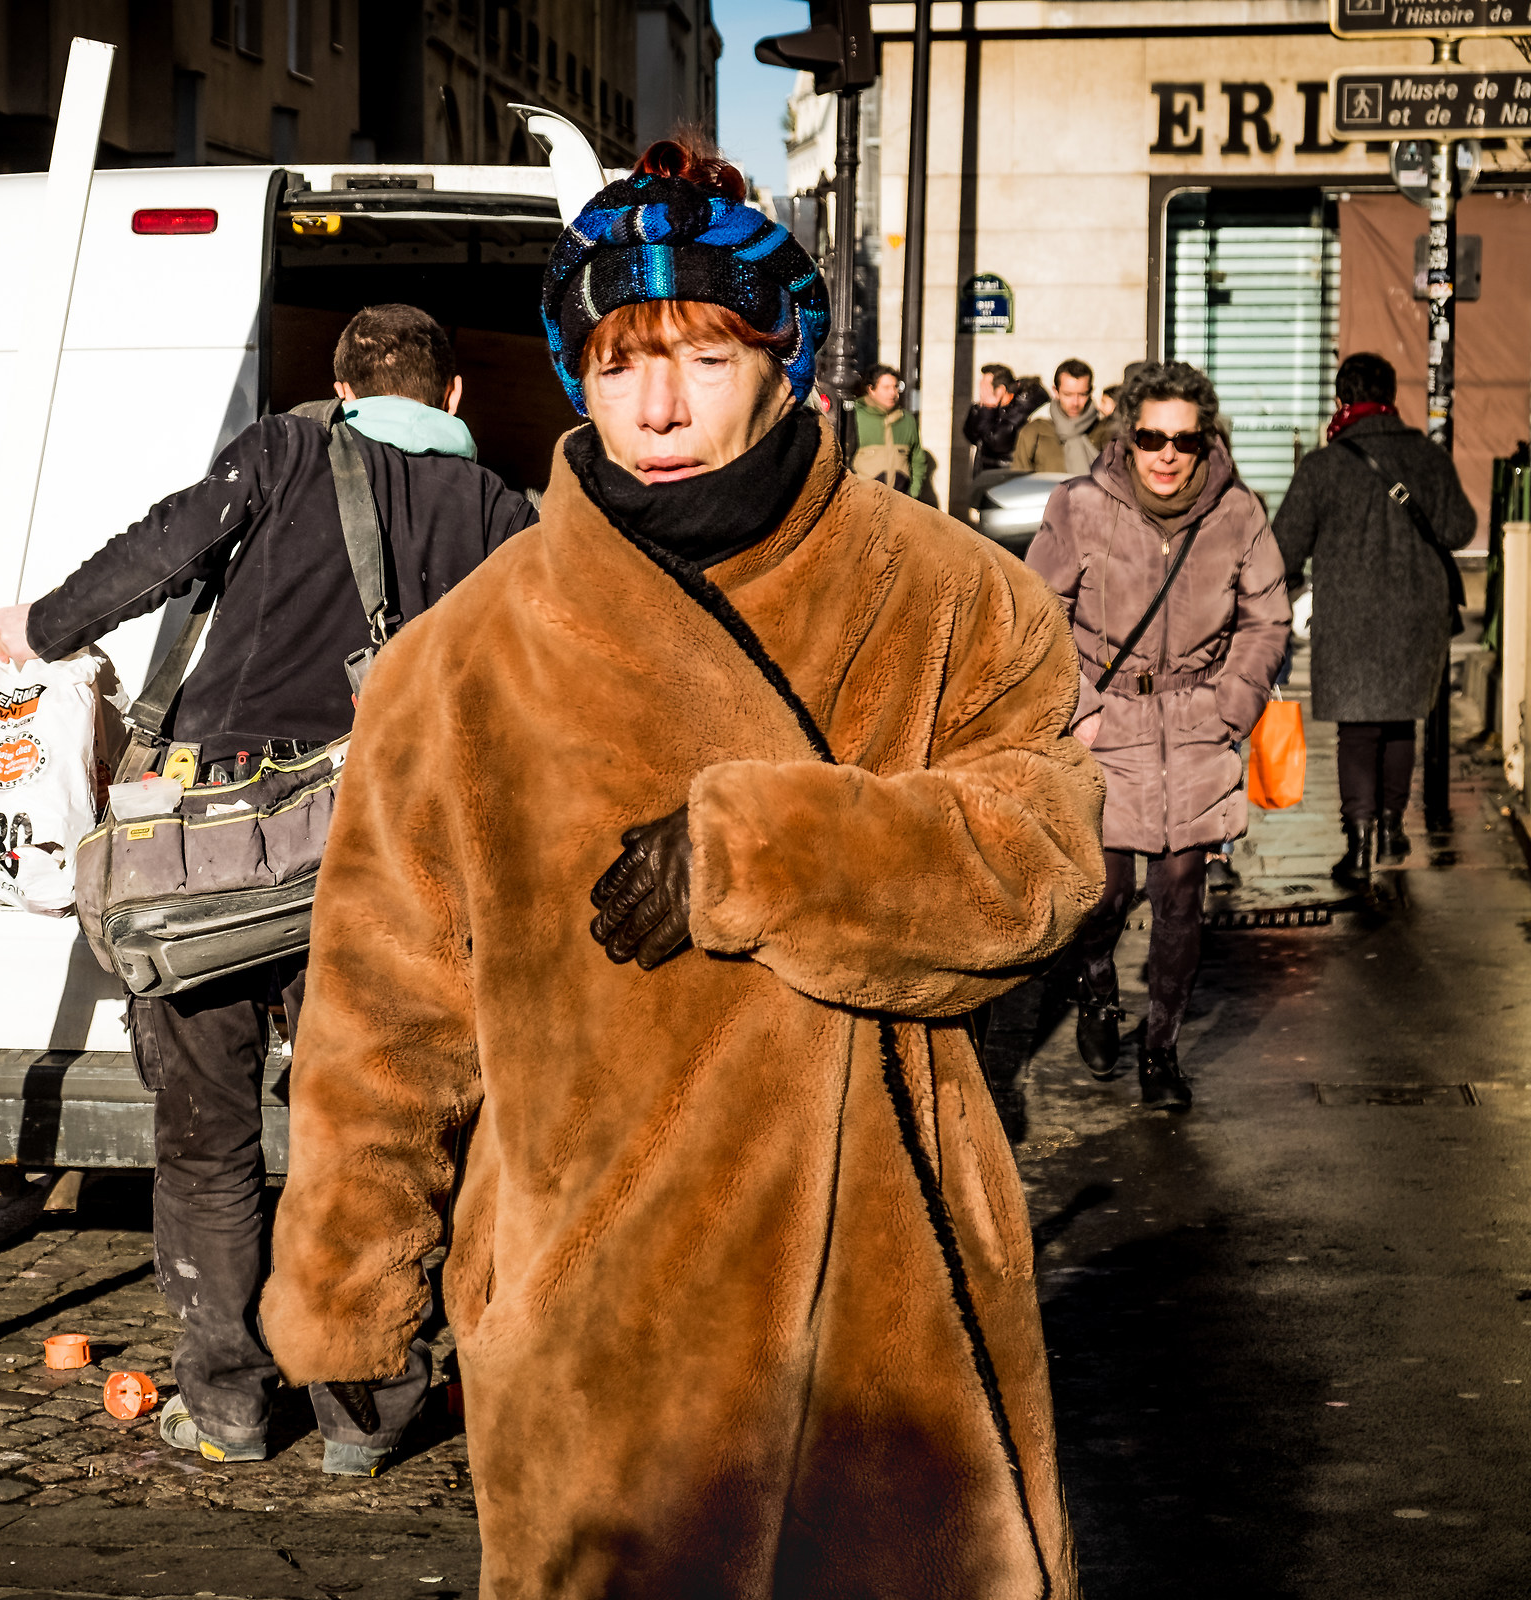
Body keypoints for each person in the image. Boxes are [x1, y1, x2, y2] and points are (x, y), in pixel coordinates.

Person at [259, 141, 1100, 1594]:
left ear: (789, 360)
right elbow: (382, 1010)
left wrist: (768, 851)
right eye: (616, 357)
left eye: (706, 357)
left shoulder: (957, 602)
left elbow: (1042, 867)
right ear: (572, 370)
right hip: (599, 1310)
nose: (656, 406)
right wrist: (350, 1272)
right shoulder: (460, 662)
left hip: (889, 1307)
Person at [0, 303, 536, 1475]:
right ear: (452, 401)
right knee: (375, 1142)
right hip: (392, 861)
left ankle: (230, 1405)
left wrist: (39, 627)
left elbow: (161, 547)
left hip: (220, 864)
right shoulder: (500, 510)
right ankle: (366, 1416)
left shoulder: (285, 450)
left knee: (205, 1141)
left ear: (338, 387)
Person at [1026, 361, 1289, 1108]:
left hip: (1199, 730)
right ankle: (1098, 985)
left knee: (1179, 899)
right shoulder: (1078, 507)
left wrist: (1230, 706)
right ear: (1127, 438)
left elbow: (1266, 619)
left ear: (1206, 440)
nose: (1166, 455)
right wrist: (1078, 709)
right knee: (1105, 899)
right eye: (1150, 438)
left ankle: (1161, 1052)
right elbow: (1033, 617)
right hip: (1106, 731)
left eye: (1184, 439)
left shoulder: (1238, 515)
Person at [1274, 352, 1474, 881]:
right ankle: (1391, 831)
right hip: (1418, 610)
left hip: (1349, 612)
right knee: (1402, 720)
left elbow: (1283, 549)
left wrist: (1296, 591)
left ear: (1342, 400)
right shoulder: (1428, 457)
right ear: (1391, 395)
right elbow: (1459, 530)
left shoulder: (1324, 464)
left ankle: (1357, 843)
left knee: (1357, 731)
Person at [852, 363, 933, 502]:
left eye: (895, 387)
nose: (893, 393)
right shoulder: (855, 416)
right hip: (864, 500)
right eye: (886, 387)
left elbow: (917, 458)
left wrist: (913, 492)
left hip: (900, 501)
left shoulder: (907, 420)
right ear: (871, 389)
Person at [1013, 358, 1102, 475]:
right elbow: (1020, 483)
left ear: (1091, 391)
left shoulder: (1105, 431)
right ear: (1055, 391)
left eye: (1082, 394)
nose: (1075, 402)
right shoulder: (1034, 432)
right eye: (1068, 394)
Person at [964, 362, 1047, 475]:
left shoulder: (1024, 404)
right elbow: (972, 436)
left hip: (1010, 478)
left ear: (1000, 390)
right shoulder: (991, 408)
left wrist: (988, 408)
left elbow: (996, 441)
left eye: (985, 389)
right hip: (987, 476)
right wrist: (979, 411)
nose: (981, 393)